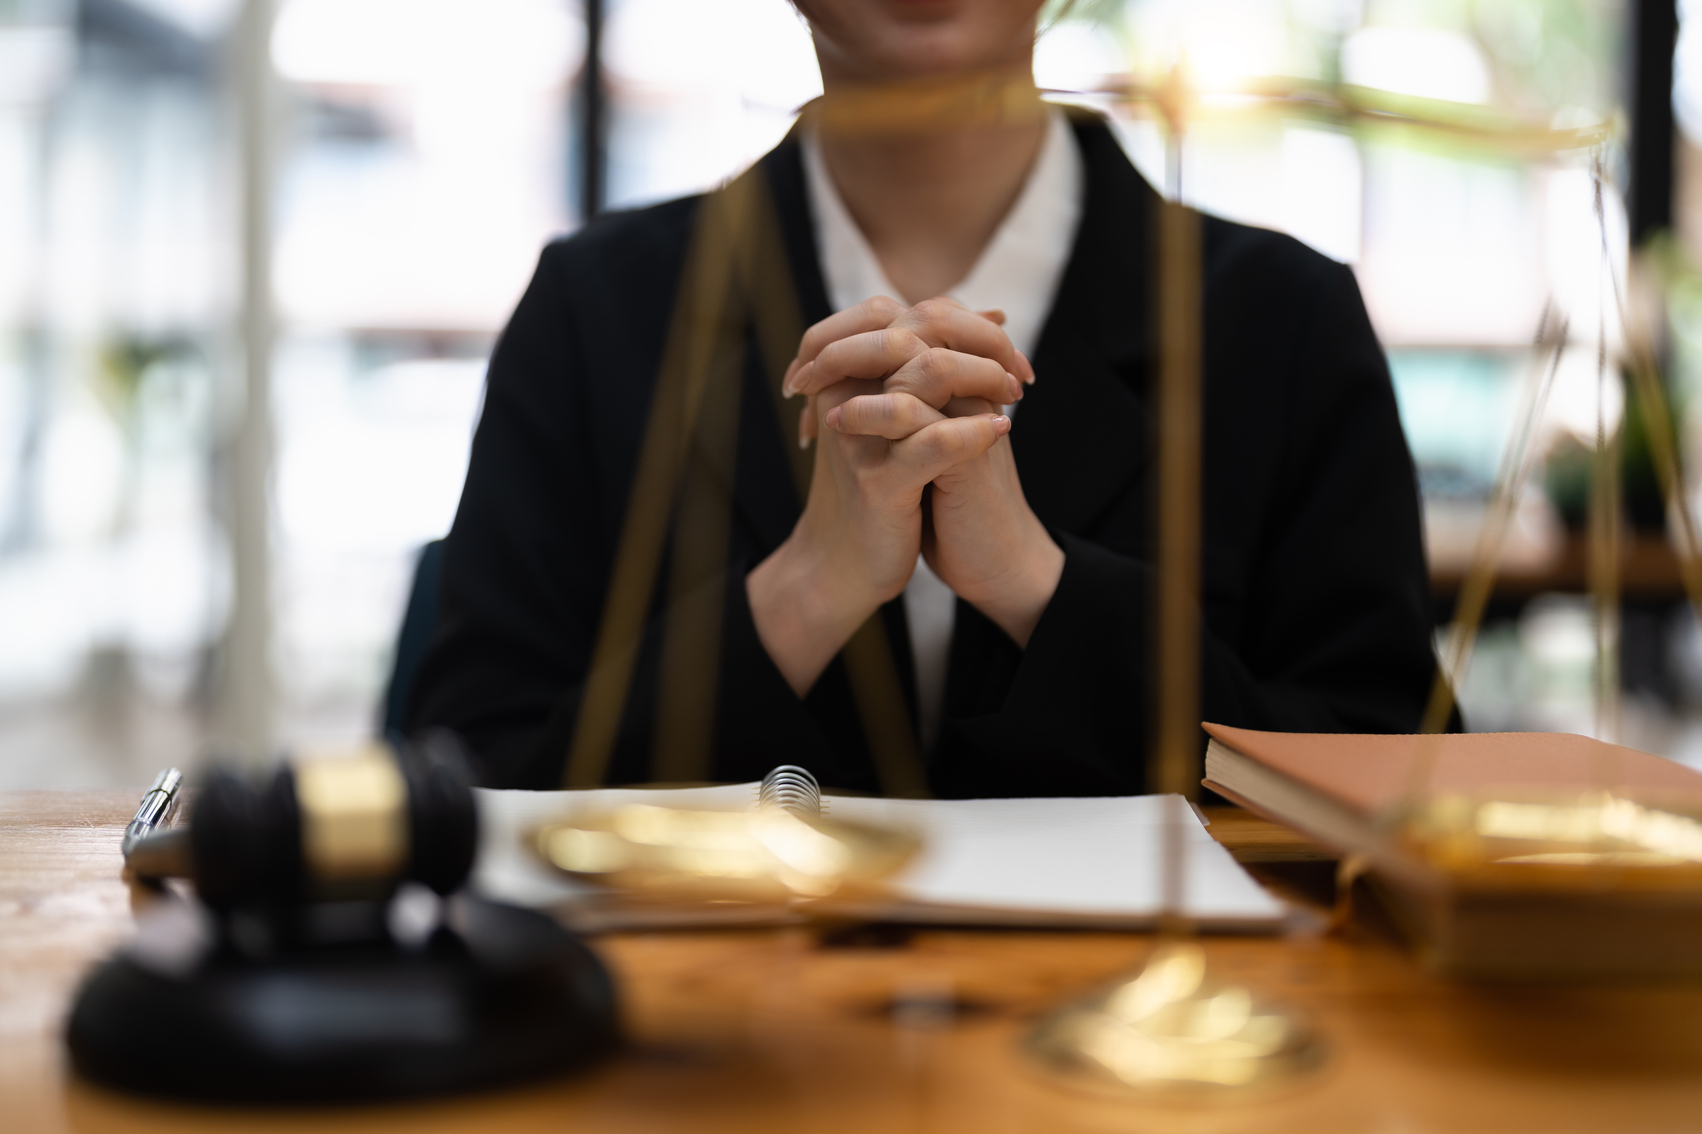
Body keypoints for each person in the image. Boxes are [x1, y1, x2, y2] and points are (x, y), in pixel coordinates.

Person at [405, 0, 1442, 794]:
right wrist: (803, 590)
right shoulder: (595, 311)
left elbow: (1397, 775)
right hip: (714, 1044)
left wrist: (1040, 586)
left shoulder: (1283, 320)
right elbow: (474, 777)